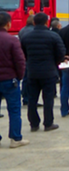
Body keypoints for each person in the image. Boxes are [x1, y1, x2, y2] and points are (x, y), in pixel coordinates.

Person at [20, 13, 65, 132]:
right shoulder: (53, 36)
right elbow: (61, 53)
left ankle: (34, 123)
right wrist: (54, 62)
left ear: (34, 22)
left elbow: (23, 54)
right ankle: (48, 123)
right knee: (48, 98)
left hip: (32, 72)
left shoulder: (26, 37)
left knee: (32, 99)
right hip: (49, 71)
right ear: (47, 22)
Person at [0, 12, 29, 148]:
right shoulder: (12, 40)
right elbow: (20, 61)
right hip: (9, 79)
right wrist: (20, 76)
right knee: (14, 110)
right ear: (8, 24)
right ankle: (15, 138)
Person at [18, 15, 34, 106]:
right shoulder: (33, 31)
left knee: (25, 78)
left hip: (24, 56)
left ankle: (25, 97)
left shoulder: (22, 30)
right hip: (32, 57)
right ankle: (29, 98)